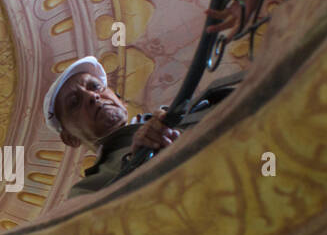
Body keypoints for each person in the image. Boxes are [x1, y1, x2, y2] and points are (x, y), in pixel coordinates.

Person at [44, 56, 242, 199]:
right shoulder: (88, 191)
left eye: (95, 86)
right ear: (70, 138)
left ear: (121, 101)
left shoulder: (190, 109)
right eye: (74, 102)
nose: (91, 96)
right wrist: (138, 162)